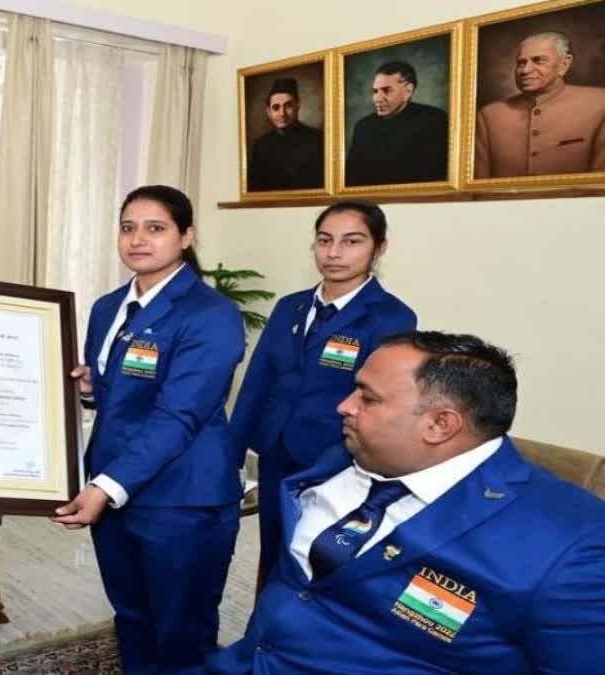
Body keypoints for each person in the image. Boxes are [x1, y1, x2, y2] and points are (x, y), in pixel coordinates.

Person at [208, 332, 605, 673]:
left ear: (439, 425)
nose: (344, 406)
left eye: (368, 397)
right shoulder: (337, 459)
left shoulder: (575, 547)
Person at [53, 185, 246, 674]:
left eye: (155, 228)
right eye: (128, 227)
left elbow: (180, 414)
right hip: (118, 486)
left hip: (182, 498)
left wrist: (104, 487)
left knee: (182, 629)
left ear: (186, 237)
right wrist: (90, 390)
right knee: (133, 616)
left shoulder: (211, 314)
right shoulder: (108, 307)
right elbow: (124, 396)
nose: (138, 239)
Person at [229, 200, 416, 587]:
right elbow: (258, 380)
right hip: (276, 451)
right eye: (324, 240)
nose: (334, 253)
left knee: (316, 556)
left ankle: (300, 640)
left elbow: (378, 400)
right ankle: (263, 635)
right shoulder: (290, 307)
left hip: (337, 460)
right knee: (273, 549)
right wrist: (230, 453)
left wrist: (342, 460)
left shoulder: (391, 316)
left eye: (351, 241)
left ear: (379, 248)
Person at [475, 31, 605, 178]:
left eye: (538, 61)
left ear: (564, 64)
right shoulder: (490, 115)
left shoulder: (600, 103)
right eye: (521, 63)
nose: (525, 70)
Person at [345, 61, 448, 186]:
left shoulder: (433, 120)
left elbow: (434, 178)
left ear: (408, 91)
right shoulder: (363, 126)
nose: (377, 98)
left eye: (387, 90)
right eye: (375, 91)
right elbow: (352, 180)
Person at [247, 77, 324, 191]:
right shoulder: (261, 145)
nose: (282, 113)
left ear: (298, 106)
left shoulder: (317, 139)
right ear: (268, 112)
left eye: (288, 106)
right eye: (276, 107)